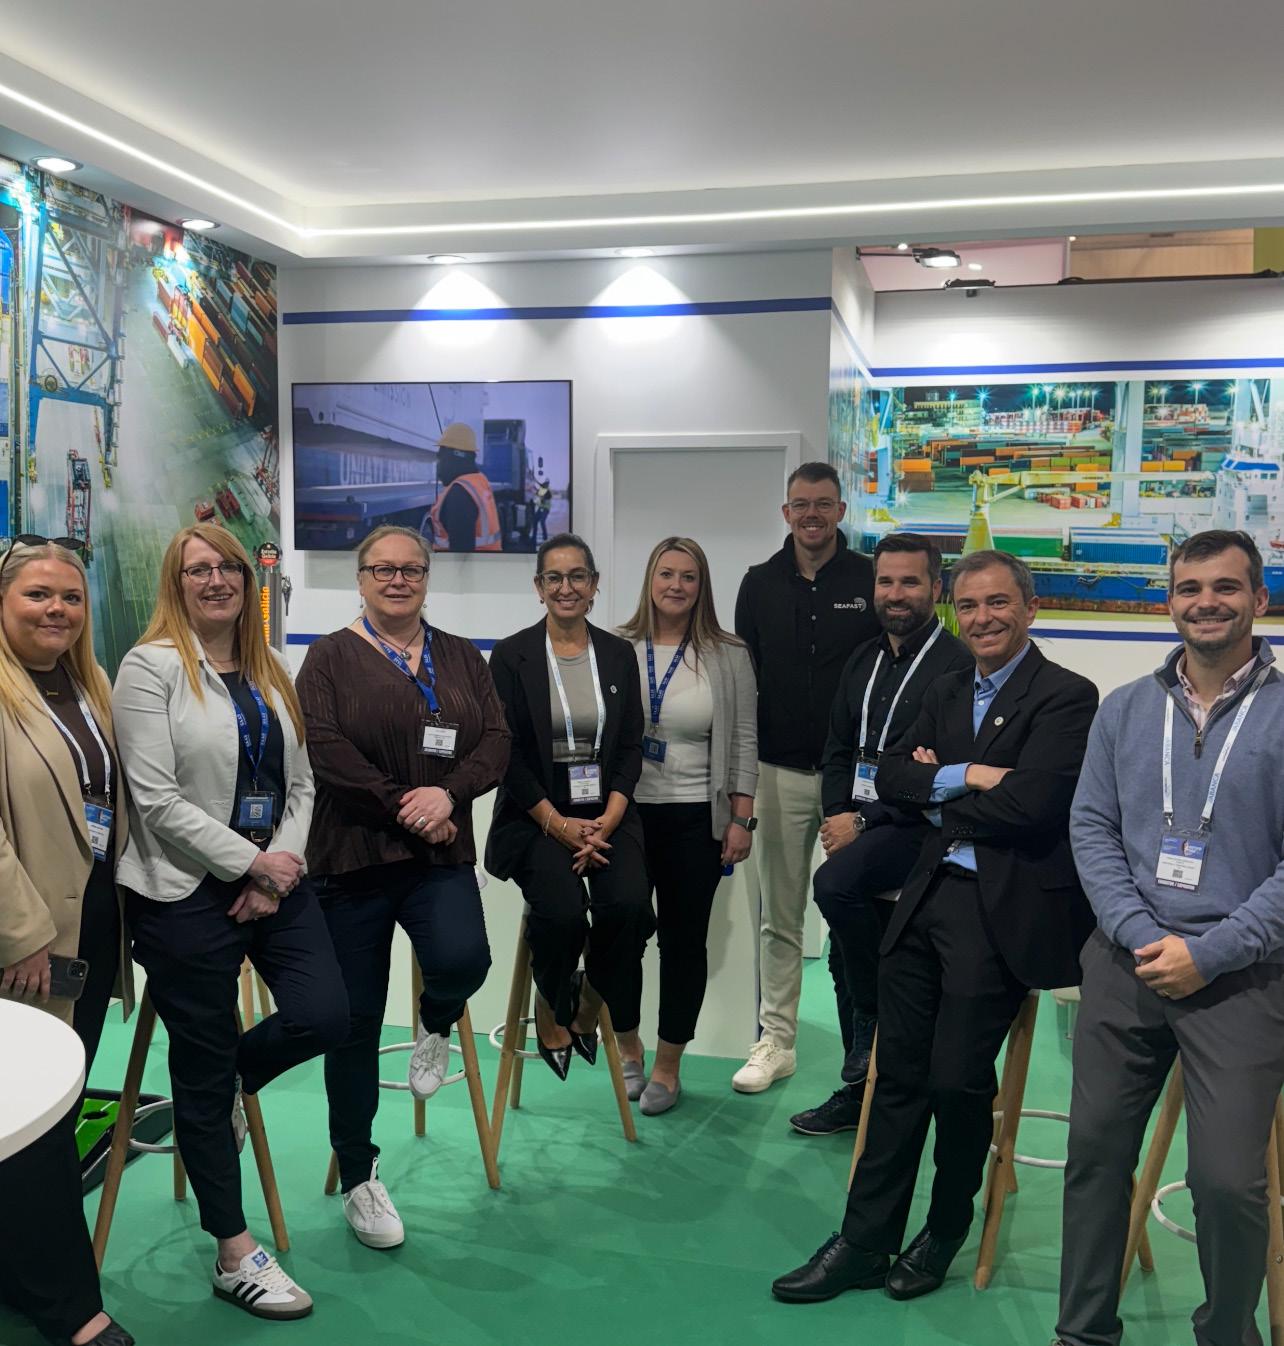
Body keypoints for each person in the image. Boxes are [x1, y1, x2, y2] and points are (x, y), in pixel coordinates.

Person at [773, 548, 1097, 1305]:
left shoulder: (1066, 697)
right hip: (929, 895)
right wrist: (971, 776)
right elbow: (893, 778)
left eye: (999, 603)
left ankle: (947, 1224)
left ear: (1030, 608)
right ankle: (863, 1240)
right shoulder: (948, 689)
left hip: (1000, 911)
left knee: (956, 1079)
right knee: (897, 1075)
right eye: (970, 605)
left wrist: (937, 789)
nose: (983, 618)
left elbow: (1033, 807)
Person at [113, 524, 349, 1322]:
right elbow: (155, 799)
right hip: (182, 892)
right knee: (201, 1058)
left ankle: (224, 1086)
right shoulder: (149, 669)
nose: (216, 580)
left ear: (250, 582)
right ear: (175, 584)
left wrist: (277, 869)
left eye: (229, 569)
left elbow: (303, 786)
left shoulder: (271, 666)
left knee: (327, 1015)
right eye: (198, 570)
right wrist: (248, 865)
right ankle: (234, 1251)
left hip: (272, 882)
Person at [1056, 530, 1284, 1346]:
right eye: (1190, 588)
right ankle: (1082, 1332)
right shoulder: (1124, 709)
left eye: (1226, 587)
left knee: (1226, 1182)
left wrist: (1210, 953)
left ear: (1260, 600)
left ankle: (1226, 1334)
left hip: (1244, 974)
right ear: (1169, 601)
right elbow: (1091, 828)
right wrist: (1139, 932)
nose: (1206, 603)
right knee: (1093, 1156)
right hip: (1128, 962)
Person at [296, 525, 509, 1249]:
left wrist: (448, 796)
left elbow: (496, 741)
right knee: (353, 1022)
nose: (398, 580)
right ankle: (360, 1175)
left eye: (411, 569)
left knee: (464, 959)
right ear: (360, 579)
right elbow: (326, 749)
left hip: (439, 856)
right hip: (351, 861)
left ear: (427, 577)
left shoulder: (460, 655)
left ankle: (436, 1023)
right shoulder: (328, 658)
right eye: (383, 569)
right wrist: (404, 806)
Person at [790, 533, 971, 1137]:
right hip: (857, 824)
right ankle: (857, 1089)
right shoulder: (862, 659)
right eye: (885, 581)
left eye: (909, 582)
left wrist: (866, 822)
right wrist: (837, 814)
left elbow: (936, 775)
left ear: (936, 589)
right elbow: (838, 748)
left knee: (833, 886)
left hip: (914, 828)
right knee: (843, 953)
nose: (896, 594)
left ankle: (872, 1023)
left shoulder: (956, 666)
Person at [0, 537, 134, 1346]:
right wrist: (20, 934)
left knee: (56, 1106)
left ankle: (19, 1273)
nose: (57, 610)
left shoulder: (91, 684)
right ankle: (70, 1308)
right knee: (34, 1125)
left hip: (90, 928)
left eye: (71, 597)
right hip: (26, 943)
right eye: (38, 595)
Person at [732, 461, 879, 1092]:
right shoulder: (759, 583)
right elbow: (746, 682)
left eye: (823, 504)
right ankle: (777, 1041)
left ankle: (866, 1049)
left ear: (840, 511)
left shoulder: (870, 580)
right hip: (779, 771)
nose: (811, 515)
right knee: (781, 916)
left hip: (856, 781)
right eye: (801, 504)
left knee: (857, 912)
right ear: (786, 512)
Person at [486, 533, 654, 1080]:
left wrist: (609, 818)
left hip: (607, 813)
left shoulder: (617, 654)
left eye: (577, 576)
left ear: (594, 585)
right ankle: (551, 999)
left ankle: (587, 1002)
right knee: (560, 913)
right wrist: (557, 825)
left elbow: (629, 746)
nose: (566, 587)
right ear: (539, 588)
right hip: (536, 813)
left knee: (629, 907)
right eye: (554, 578)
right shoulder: (511, 656)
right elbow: (506, 753)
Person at [617, 536, 757, 1115]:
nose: (676, 585)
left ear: (702, 587)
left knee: (683, 942)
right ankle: (627, 1045)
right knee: (621, 929)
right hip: (625, 816)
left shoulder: (728, 653)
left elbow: (744, 739)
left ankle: (668, 1065)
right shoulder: (618, 647)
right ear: (650, 580)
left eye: (689, 576)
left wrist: (742, 818)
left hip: (696, 817)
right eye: (666, 573)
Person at [428, 422, 501, 553]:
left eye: (441, 458)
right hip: (487, 563)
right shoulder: (478, 481)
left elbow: (461, 557)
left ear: (453, 458)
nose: (438, 465)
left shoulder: (459, 495)